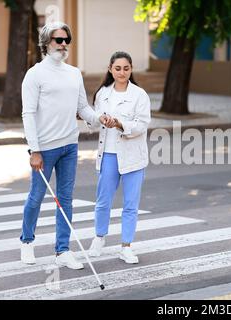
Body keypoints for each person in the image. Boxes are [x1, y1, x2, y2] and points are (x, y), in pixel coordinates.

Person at [20, 22, 110, 269]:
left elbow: (82, 108)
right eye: (58, 40)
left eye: (66, 40)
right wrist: (34, 149)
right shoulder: (35, 74)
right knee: (36, 197)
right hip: (45, 148)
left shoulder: (73, 73)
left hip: (70, 145)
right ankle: (27, 241)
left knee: (66, 199)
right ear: (45, 43)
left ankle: (62, 250)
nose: (63, 45)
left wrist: (99, 118)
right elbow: (28, 113)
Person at [87, 51, 151, 264]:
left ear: (131, 70)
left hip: (133, 155)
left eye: (126, 68)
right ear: (110, 69)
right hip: (109, 154)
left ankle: (126, 246)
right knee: (103, 200)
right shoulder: (103, 93)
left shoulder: (140, 95)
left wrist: (121, 124)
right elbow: (93, 121)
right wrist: (100, 118)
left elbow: (142, 125)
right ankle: (99, 238)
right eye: (117, 68)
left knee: (131, 203)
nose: (122, 72)